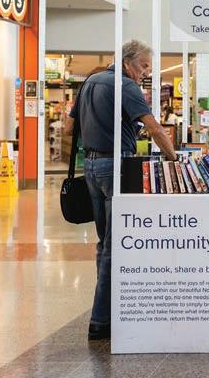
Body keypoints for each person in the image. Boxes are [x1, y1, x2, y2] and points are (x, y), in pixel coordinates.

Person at [65, 40, 176, 341]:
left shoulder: (90, 82)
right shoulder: (126, 86)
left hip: (91, 167)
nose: (146, 72)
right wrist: (174, 158)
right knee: (116, 245)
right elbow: (154, 128)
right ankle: (100, 320)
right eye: (143, 66)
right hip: (115, 167)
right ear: (127, 62)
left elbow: (69, 127)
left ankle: (109, 308)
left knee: (105, 242)